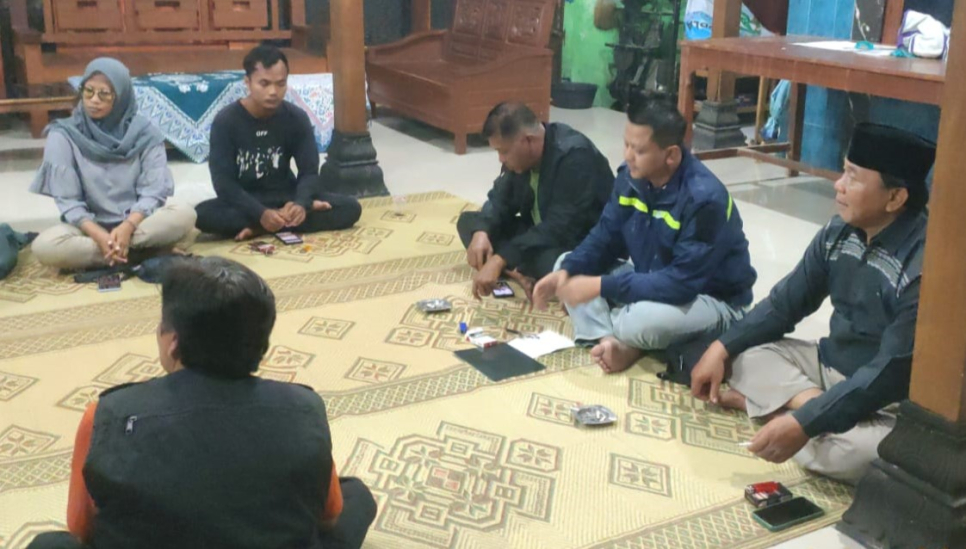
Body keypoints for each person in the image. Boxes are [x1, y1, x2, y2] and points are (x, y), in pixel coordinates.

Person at [27, 256, 377, 549]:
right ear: (262, 346)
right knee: (356, 495)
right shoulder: (304, 409)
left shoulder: (106, 414)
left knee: (49, 543)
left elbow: (81, 529)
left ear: (173, 342)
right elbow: (329, 517)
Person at [689, 123, 935, 484]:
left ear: (895, 198)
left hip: (885, 401)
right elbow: (784, 305)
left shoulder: (922, 267)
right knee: (743, 357)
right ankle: (812, 414)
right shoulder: (838, 233)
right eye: (843, 171)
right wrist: (720, 347)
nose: (838, 185)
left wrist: (804, 422)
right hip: (826, 367)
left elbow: (887, 374)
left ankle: (779, 412)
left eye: (852, 177)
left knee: (864, 453)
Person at [533, 97, 757, 374]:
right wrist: (567, 271)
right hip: (652, 279)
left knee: (642, 322)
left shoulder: (704, 200)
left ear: (671, 155)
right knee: (565, 264)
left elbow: (680, 284)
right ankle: (610, 342)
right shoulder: (630, 178)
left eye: (638, 150)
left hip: (710, 299)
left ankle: (622, 335)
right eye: (626, 144)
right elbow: (604, 236)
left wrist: (601, 287)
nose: (627, 155)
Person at [29, 58, 196, 271]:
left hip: (138, 224)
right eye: (89, 91)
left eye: (104, 94)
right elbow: (68, 201)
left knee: (185, 213)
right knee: (45, 246)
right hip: (88, 228)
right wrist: (98, 234)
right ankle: (145, 252)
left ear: (121, 97)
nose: (94, 100)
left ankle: (112, 253)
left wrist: (128, 227)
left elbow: (153, 192)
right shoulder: (63, 135)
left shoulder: (144, 133)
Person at [195, 45, 361, 241]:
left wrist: (301, 204)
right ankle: (276, 223)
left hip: (286, 196)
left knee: (350, 208)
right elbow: (224, 184)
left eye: (280, 84)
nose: (273, 92)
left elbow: (309, 172)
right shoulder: (226, 121)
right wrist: (260, 213)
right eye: (264, 84)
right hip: (247, 201)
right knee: (200, 215)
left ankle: (262, 228)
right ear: (247, 82)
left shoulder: (296, 118)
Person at [456, 102, 613, 299]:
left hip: (577, 243)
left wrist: (500, 259)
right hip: (540, 232)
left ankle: (519, 268)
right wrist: (482, 232)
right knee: (470, 224)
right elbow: (500, 199)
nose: (500, 159)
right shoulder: (522, 159)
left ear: (528, 141)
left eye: (503, 151)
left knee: (552, 262)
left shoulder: (574, 156)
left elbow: (559, 228)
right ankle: (518, 271)